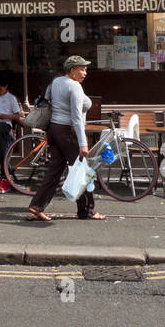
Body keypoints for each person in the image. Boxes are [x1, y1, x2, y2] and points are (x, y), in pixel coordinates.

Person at [28, 55, 104, 222]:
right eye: (82, 69)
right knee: (82, 170)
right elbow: (76, 117)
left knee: (54, 171)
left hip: (55, 129)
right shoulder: (75, 87)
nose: (85, 73)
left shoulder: (56, 82)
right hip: (68, 132)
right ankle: (86, 211)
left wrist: (49, 132)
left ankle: (36, 206)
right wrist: (83, 143)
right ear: (72, 70)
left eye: (85, 69)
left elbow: (50, 106)